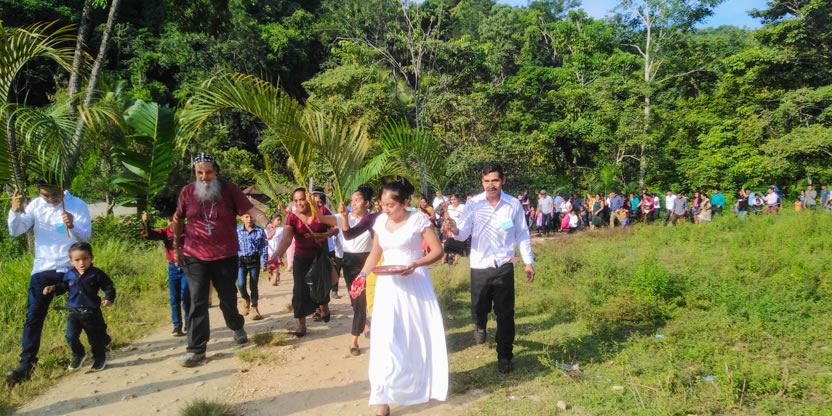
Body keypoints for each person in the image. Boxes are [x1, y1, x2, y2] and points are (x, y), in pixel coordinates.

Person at [357, 178, 447, 416]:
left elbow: (437, 251)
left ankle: (418, 380)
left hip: (415, 284)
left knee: (413, 336)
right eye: (383, 205)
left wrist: (416, 263)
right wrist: (362, 275)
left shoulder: (418, 220)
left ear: (405, 202)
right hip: (388, 286)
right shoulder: (380, 222)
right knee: (384, 338)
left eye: (391, 205)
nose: (386, 210)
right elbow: (375, 253)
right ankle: (382, 398)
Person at [171, 153, 270, 367]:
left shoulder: (229, 190)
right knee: (197, 300)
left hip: (225, 255)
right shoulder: (187, 192)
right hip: (194, 255)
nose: (204, 177)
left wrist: (267, 223)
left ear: (216, 171)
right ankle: (196, 349)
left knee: (227, 298)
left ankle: (236, 325)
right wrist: (176, 247)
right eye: (199, 173)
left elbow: (250, 209)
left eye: (208, 172)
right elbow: (178, 218)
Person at [443, 163, 535, 374]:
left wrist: (528, 261)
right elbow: (462, 233)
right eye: (487, 181)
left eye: (495, 180)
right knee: (478, 307)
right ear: (482, 182)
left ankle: (505, 356)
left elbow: (521, 234)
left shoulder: (513, 204)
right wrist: (454, 228)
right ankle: (480, 323)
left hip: (504, 264)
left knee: (505, 313)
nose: (491, 185)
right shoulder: (473, 204)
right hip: (480, 265)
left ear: (503, 180)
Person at [6, 178, 91, 384]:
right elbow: (15, 231)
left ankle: (85, 347)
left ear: (63, 188)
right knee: (34, 316)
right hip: (43, 268)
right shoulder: (35, 205)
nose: (51, 198)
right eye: (45, 195)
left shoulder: (77, 204)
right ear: (39, 192)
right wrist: (15, 211)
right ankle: (27, 364)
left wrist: (72, 225)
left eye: (55, 194)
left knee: (80, 311)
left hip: (71, 267)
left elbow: (85, 238)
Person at [271, 188, 337, 337]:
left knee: (321, 286)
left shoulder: (321, 211)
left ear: (308, 198)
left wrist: (324, 235)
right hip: (301, 258)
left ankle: (324, 305)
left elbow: (336, 229)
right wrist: (277, 254)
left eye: (302, 199)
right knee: (299, 291)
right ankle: (301, 324)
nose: (299, 203)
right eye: (296, 201)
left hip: (319, 257)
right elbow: (287, 239)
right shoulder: (292, 217)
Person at [42, 242, 114, 371]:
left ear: (91, 258)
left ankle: (99, 358)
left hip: (91, 313)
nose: (81, 263)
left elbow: (109, 287)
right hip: (73, 312)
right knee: (70, 336)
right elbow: (64, 286)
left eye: (85, 258)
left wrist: (108, 298)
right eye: (77, 260)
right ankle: (79, 354)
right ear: (71, 261)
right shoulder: (69, 274)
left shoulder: (96, 274)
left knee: (94, 338)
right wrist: (52, 288)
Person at [142, 203, 190, 337]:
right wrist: (146, 223)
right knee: (174, 298)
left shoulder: (189, 230)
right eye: (169, 220)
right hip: (173, 267)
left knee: (186, 296)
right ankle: (177, 326)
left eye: (174, 219)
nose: (172, 223)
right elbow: (149, 235)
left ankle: (188, 322)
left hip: (187, 266)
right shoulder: (166, 232)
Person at [236, 213, 268, 320]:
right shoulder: (237, 231)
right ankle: (245, 298)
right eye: (246, 217)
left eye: (251, 216)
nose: (249, 219)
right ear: (241, 218)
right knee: (241, 284)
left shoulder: (260, 231)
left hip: (254, 261)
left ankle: (254, 307)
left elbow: (264, 247)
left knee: (253, 285)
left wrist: (264, 263)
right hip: (241, 261)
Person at [265, 213, 284, 285]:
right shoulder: (267, 230)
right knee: (272, 265)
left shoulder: (281, 229)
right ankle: (277, 275)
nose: (279, 222)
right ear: (272, 221)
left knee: (276, 265)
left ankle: (275, 280)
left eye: (280, 220)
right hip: (270, 251)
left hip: (278, 251)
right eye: (278, 220)